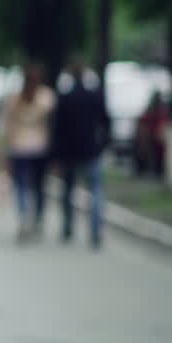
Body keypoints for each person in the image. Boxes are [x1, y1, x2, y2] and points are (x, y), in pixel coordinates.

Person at [51, 58, 111, 249]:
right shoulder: (95, 96)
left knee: (68, 190)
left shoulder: (64, 97)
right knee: (95, 191)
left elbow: (57, 128)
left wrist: (57, 154)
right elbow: (106, 122)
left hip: (69, 151)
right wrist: (102, 145)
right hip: (91, 149)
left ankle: (68, 227)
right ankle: (95, 230)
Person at [1, 64, 55, 243]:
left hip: (19, 148)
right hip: (40, 148)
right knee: (39, 187)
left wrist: (6, 151)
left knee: (21, 186)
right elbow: (51, 125)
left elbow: (9, 128)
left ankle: (23, 216)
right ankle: (38, 219)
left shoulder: (14, 100)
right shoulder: (46, 98)